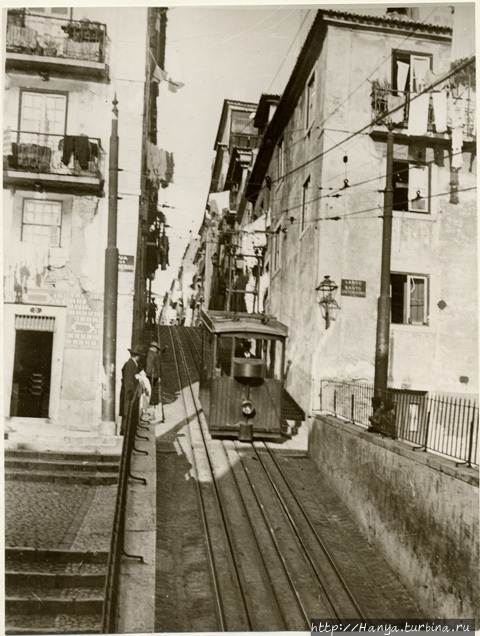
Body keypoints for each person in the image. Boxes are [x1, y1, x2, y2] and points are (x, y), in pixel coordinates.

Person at [119, 346, 144, 435]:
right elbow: (129, 380)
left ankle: (124, 430)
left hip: (128, 392)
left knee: (127, 412)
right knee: (127, 411)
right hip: (128, 393)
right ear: (137, 356)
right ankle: (125, 431)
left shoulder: (131, 363)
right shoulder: (130, 364)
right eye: (140, 356)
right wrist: (132, 392)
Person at [145, 341, 166, 409]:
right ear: (154, 348)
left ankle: (147, 401)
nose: (157, 350)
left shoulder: (146, 353)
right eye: (157, 349)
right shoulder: (156, 355)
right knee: (153, 388)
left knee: (147, 388)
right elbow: (158, 366)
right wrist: (160, 376)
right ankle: (152, 402)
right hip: (154, 375)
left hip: (146, 374)